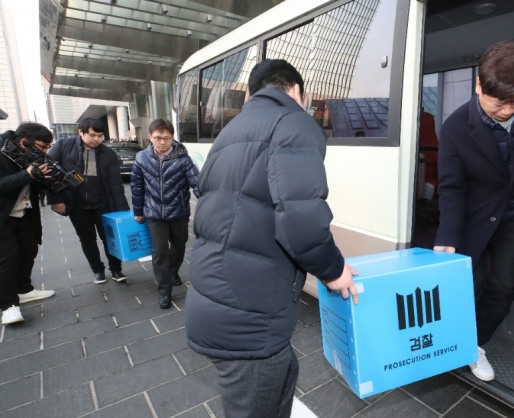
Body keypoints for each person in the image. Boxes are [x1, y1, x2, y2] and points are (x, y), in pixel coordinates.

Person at [185, 59, 359, 418]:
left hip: (222, 293)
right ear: (296, 91)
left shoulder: (230, 132)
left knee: (281, 376)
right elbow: (302, 221)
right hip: (247, 311)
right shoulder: (294, 122)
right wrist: (334, 269)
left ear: (253, 93)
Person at [433, 40, 514, 382]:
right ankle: (455, 342)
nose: (506, 110)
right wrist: (446, 237)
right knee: (470, 284)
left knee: (504, 286)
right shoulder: (456, 127)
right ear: (478, 84)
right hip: (473, 213)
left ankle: (473, 344)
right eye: (498, 102)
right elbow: (453, 188)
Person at [47, 118, 130, 284]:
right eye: (92, 135)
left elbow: (115, 184)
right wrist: (55, 199)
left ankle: (116, 269)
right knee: (87, 239)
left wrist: (123, 211)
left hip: (103, 204)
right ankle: (98, 270)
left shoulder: (108, 154)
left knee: (110, 238)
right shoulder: (63, 147)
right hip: (77, 206)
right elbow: (48, 173)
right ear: (81, 132)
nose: (97, 139)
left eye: (100, 135)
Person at [131, 118, 200, 309]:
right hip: (154, 213)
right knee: (159, 252)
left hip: (178, 212)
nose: (162, 142)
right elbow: (137, 186)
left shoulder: (183, 159)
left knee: (179, 246)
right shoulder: (141, 158)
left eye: (167, 138)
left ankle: (172, 271)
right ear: (150, 137)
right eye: (158, 138)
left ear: (173, 138)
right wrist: (138, 210)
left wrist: (208, 199)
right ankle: (164, 291)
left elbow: (197, 182)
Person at [0, 122, 56, 324]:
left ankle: (24, 289)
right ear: (25, 142)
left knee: (29, 249)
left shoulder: (30, 155)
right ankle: (7, 305)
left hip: (23, 212)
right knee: (8, 258)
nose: (44, 152)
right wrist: (27, 174)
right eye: (42, 146)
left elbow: (36, 183)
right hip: (3, 216)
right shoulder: (2, 150)